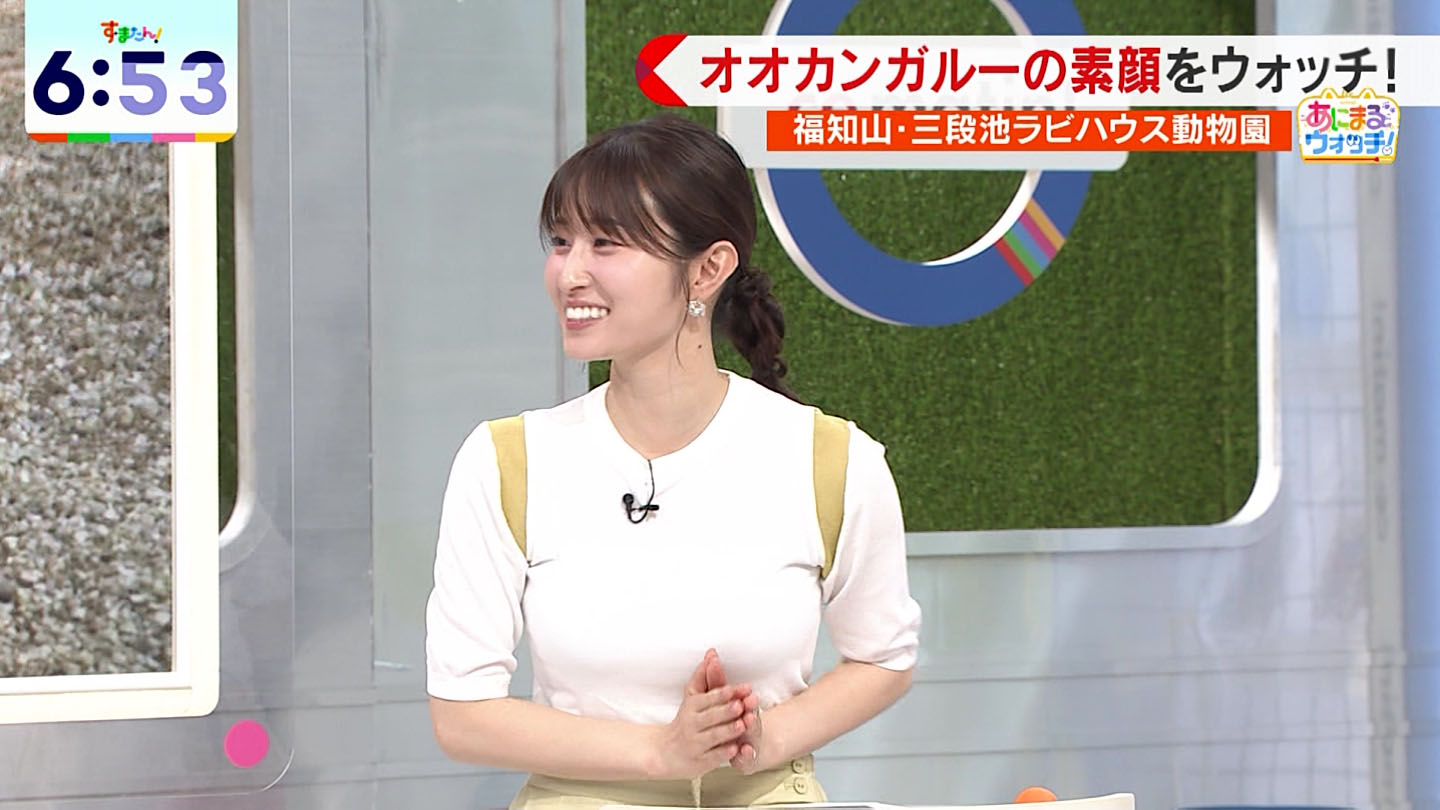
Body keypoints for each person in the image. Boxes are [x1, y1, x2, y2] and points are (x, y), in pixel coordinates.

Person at [424, 114, 922, 809]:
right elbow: (462, 714)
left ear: (708, 268)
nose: (570, 273)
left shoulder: (832, 460)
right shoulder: (506, 462)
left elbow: (884, 656)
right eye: (562, 242)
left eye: (606, 243)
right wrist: (662, 751)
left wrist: (766, 738)